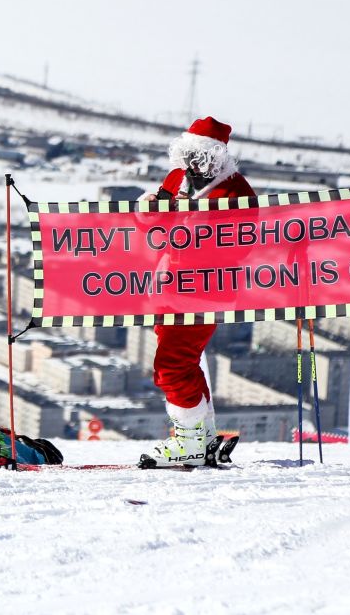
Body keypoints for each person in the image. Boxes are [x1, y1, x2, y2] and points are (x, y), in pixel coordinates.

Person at [143, 117, 256, 467]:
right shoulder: (176, 178)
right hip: (167, 284)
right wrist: (149, 212)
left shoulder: (236, 192)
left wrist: (196, 237)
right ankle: (202, 439)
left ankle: (189, 442)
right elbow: (157, 223)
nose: (192, 162)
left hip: (204, 291)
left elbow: (242, 246)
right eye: (188, 153)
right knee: (180, 362)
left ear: (217, 155)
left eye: (199, 155)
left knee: (171, 367)